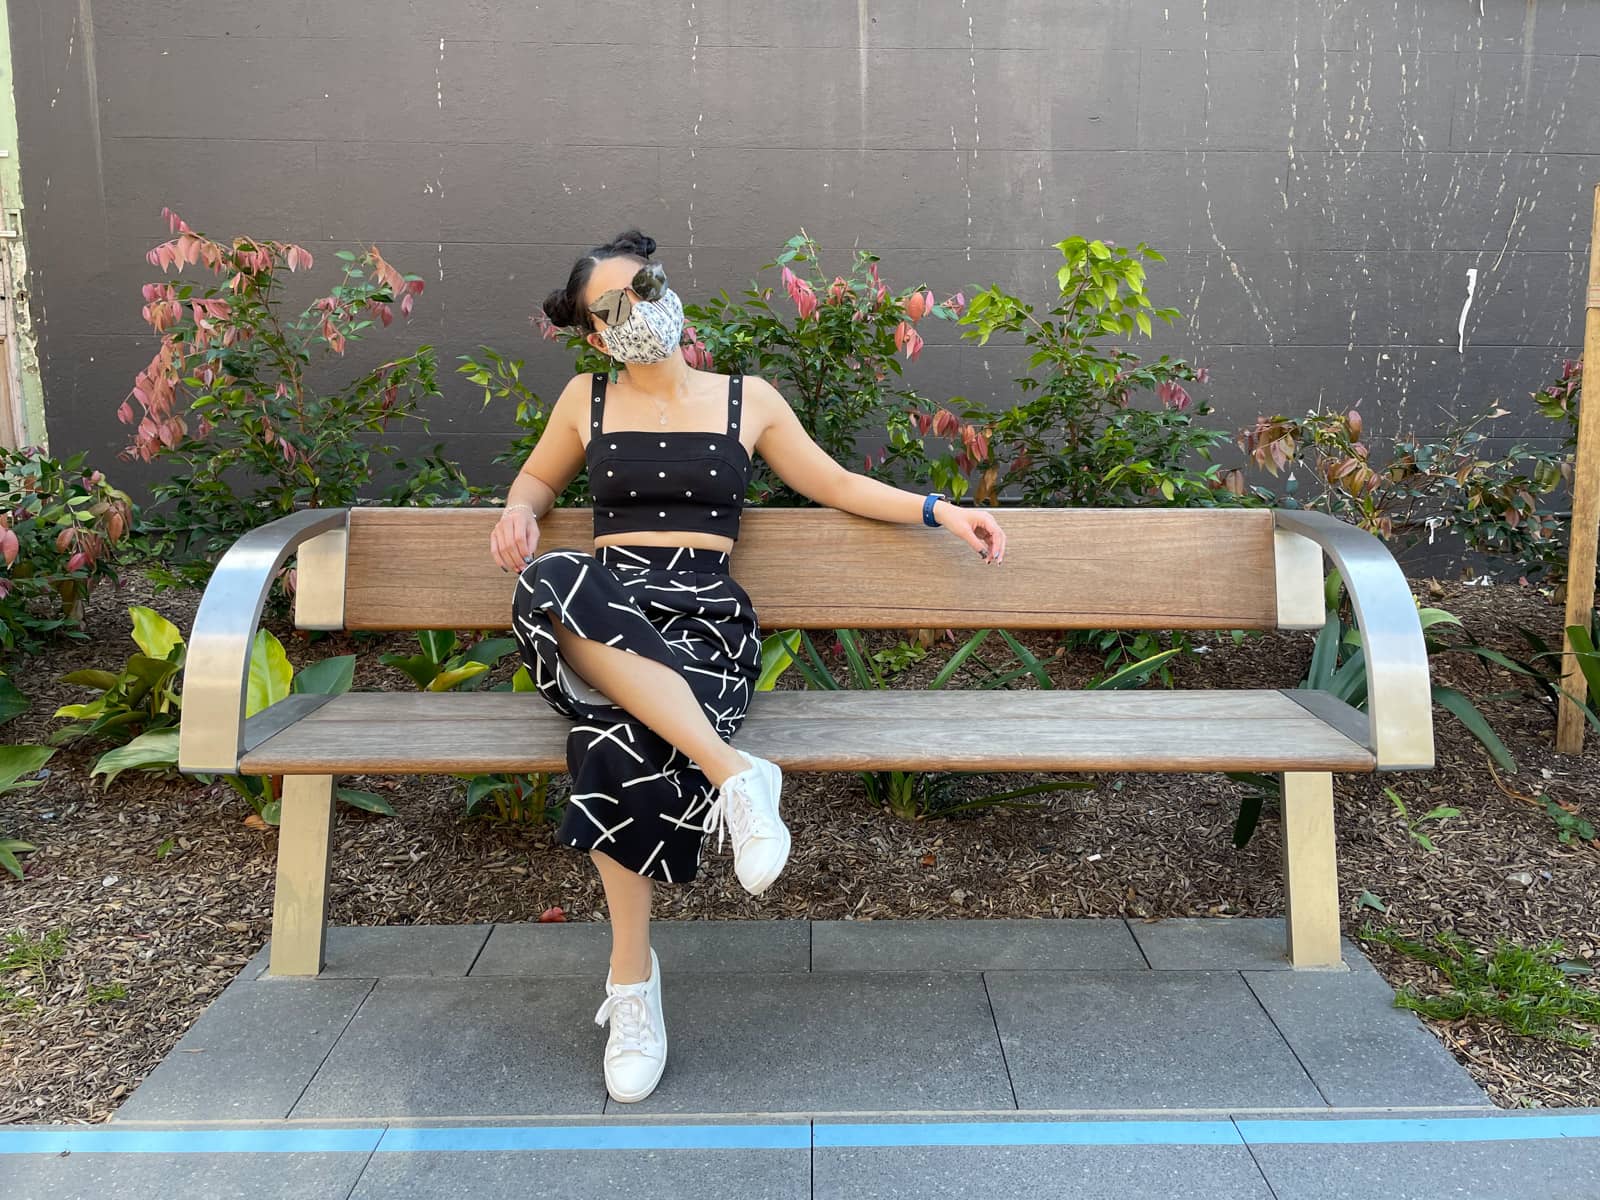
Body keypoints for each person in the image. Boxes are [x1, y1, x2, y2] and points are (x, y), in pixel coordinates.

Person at [488, 229, 1007, 1104]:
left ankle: (631, 990)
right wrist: (519, 512)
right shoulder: (587, 399)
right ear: (594, 335)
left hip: (705, 620)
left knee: (614, 738)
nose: (639, 310)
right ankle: (734, 775)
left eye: (644, 287)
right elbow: (537, 483)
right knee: (552, 577)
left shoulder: (747, 399)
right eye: (612, 308)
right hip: (609, 609)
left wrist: (938, 508)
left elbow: (836, 483)